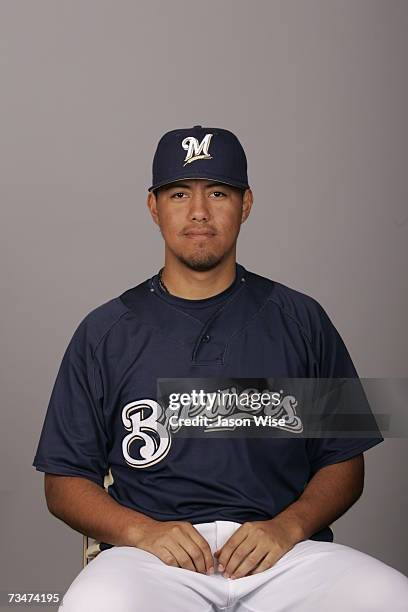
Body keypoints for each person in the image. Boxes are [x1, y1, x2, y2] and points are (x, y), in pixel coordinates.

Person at [33, 125, 408, 611]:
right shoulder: (104, 330)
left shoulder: (302, 318)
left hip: (282, 553)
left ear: (246, 204)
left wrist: (289, 526)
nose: (199, 212)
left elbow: (345, 462)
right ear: (153, 207)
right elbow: (62, 482)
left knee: (393, 598)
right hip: (151, 557)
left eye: (218, 192)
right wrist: (139, 530)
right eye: (178, 193)